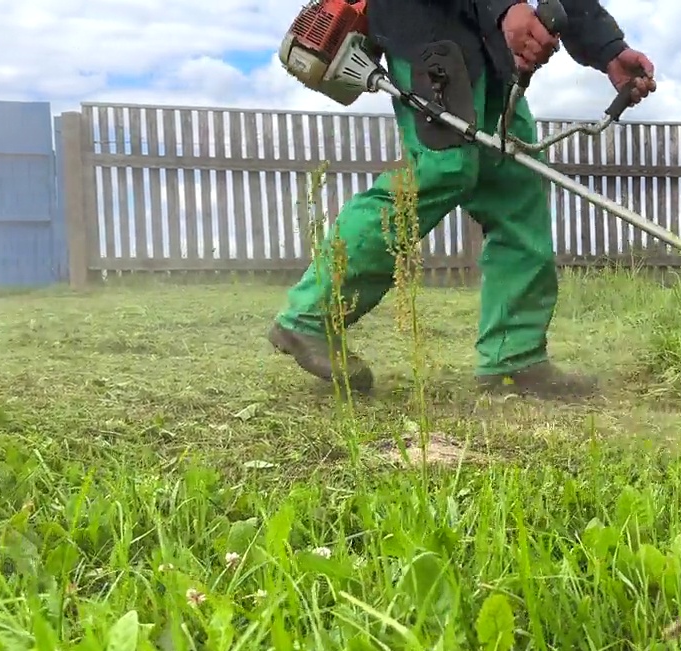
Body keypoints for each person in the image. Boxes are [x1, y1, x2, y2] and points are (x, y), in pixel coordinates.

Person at [267, 0, 657, 398]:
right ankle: (312, 315)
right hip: (431, 27)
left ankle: (514, 359)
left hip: (488, 46)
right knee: (444, 166)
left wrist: (608, 47)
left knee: (514, 183)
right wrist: (506, 7)